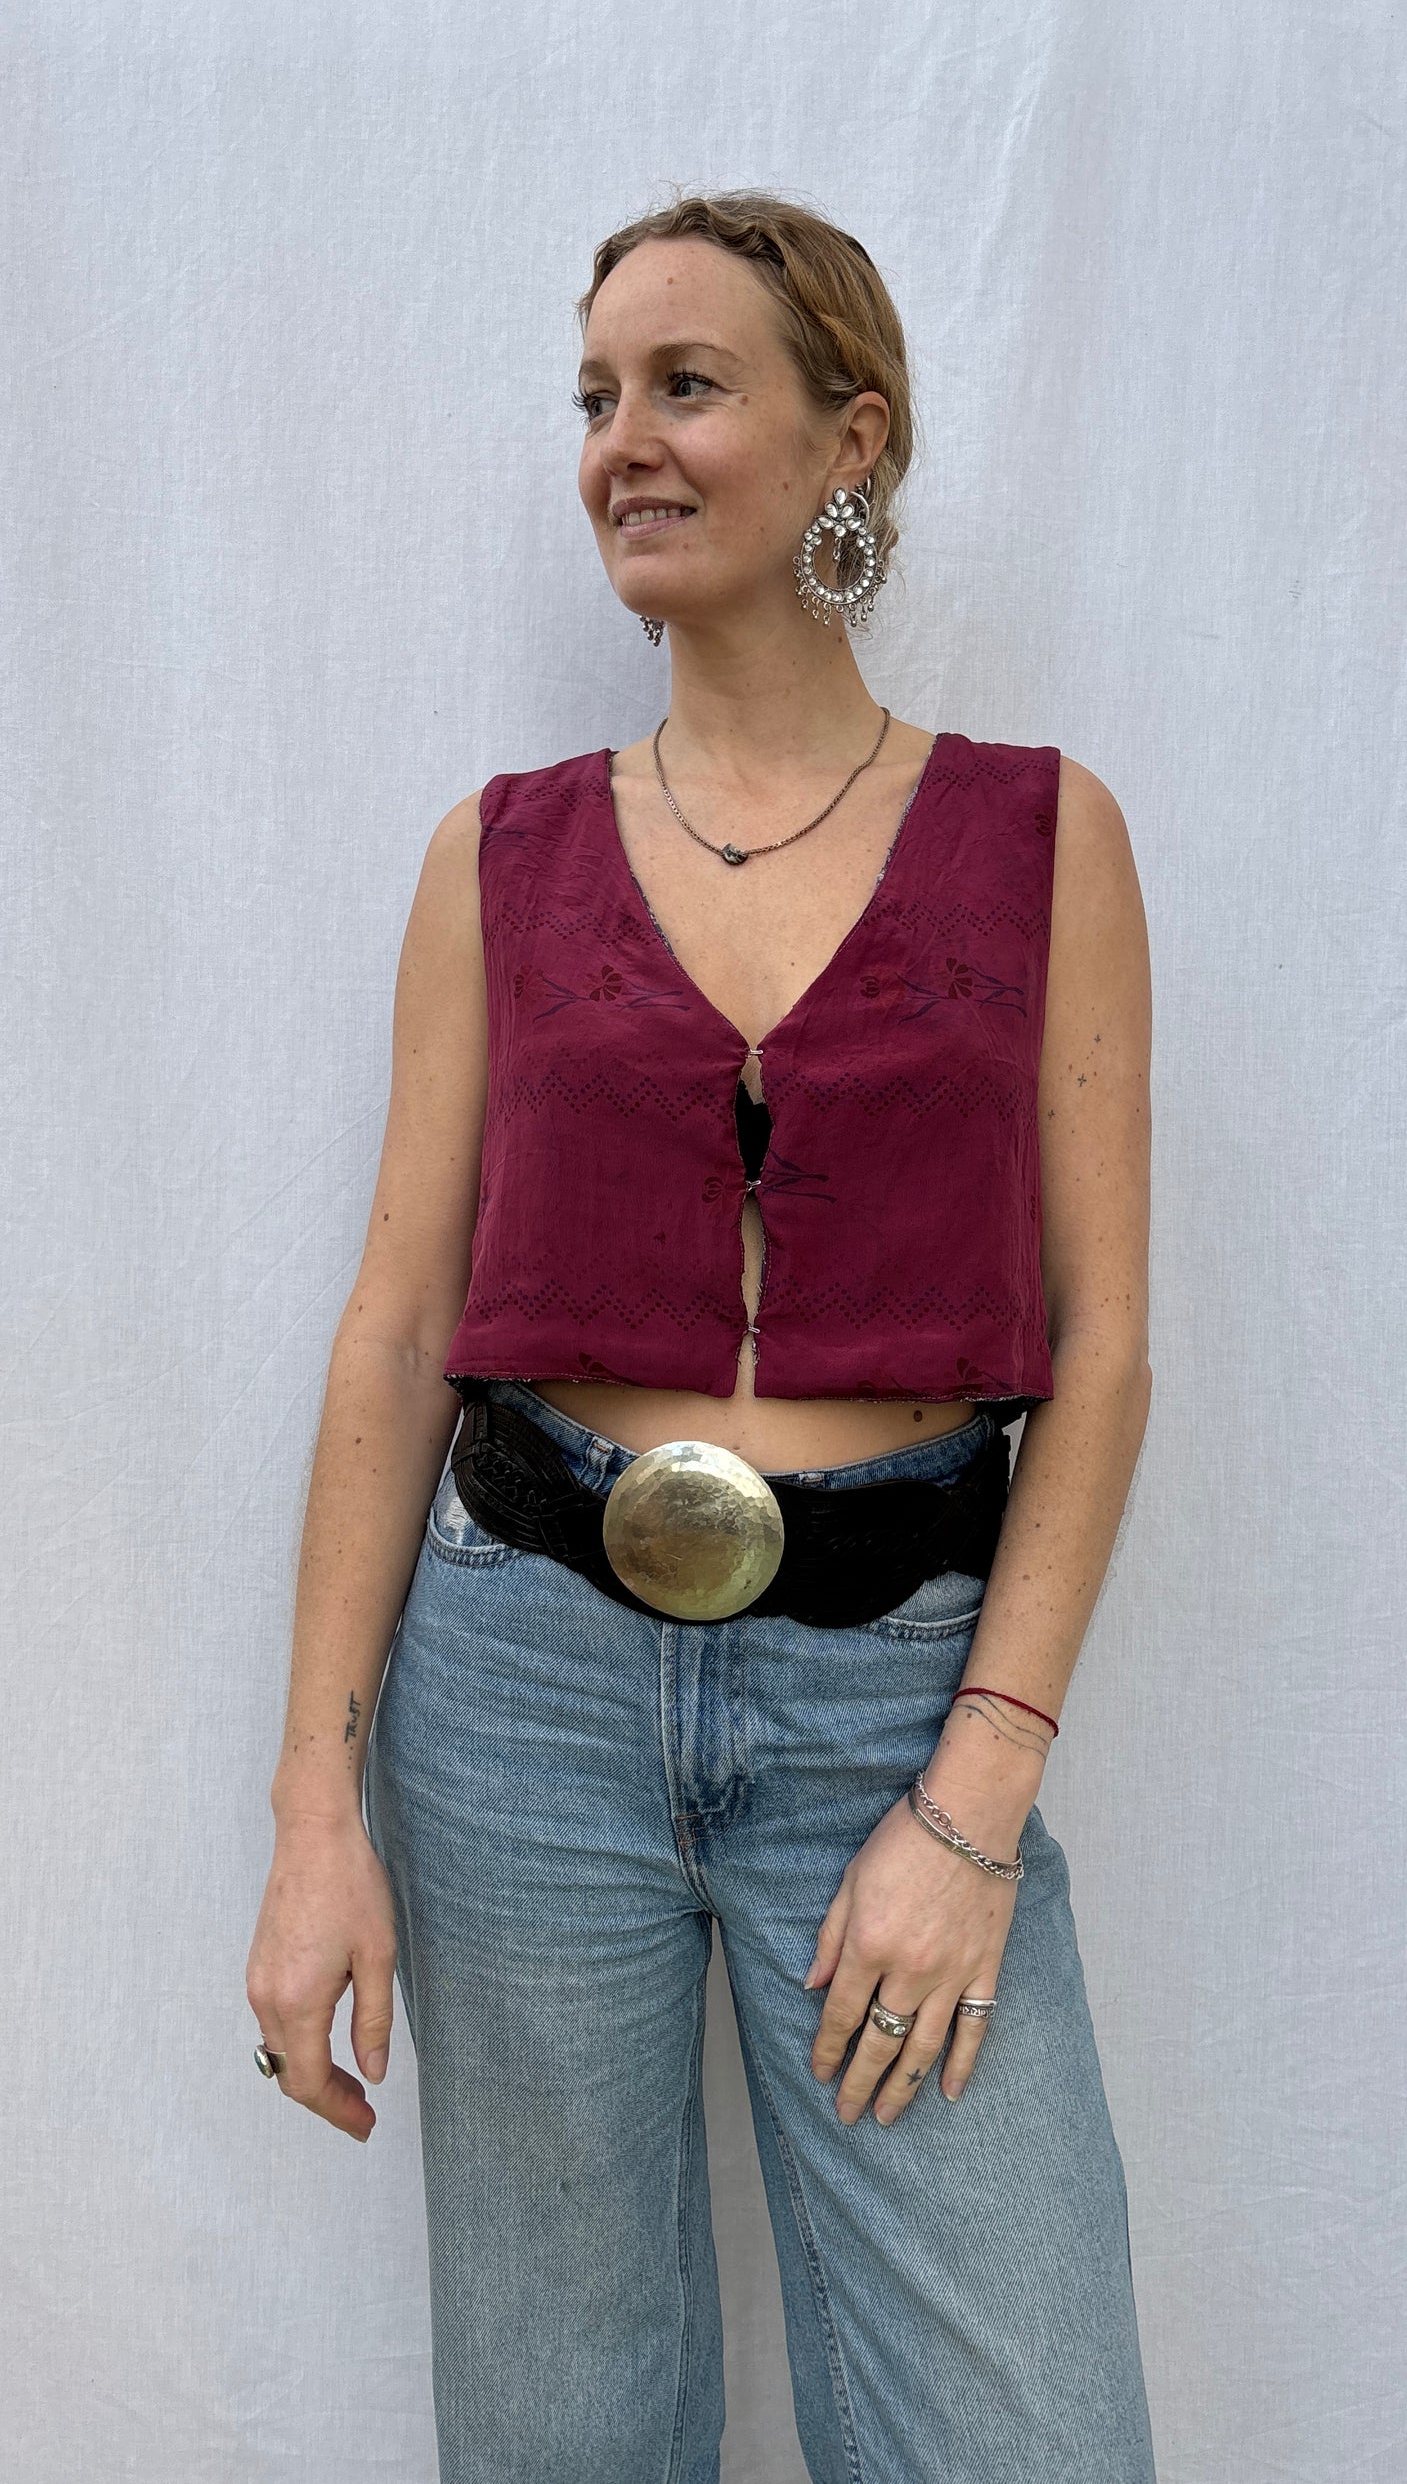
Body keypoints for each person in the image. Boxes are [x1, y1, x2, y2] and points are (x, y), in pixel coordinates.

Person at [246, 190, 1158, 2484]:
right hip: (518, 1692)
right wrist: (314, 1812)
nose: (620, 444)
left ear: (850, 438)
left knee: (1026, 2430)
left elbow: (1105, 1343)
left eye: (685, 385)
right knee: (562, 2418)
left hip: (894, 1686)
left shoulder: (1042, 838)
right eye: (594, 398)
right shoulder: (499, 853)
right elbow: (397, 1330)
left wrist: (976, 1794)